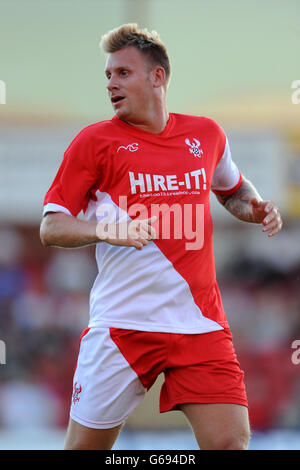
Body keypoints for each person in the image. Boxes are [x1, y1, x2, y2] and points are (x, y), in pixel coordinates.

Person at [40, 23, 283, 450]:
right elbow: (51, 226)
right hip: (122, 326)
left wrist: (256, 207)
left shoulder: (206, 134)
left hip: (201, 325)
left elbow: (234, 191)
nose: (111, 83)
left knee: (230, 444)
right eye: (108, 76)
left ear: (158, 77)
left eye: (123, 73)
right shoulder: (93, 142)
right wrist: (109, 231)